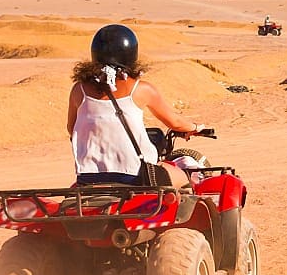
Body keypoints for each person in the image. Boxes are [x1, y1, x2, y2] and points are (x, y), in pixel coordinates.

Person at [67, 24, 206, 186]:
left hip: (88, 178)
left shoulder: (79, 90)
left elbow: (72, 128)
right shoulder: (141, 89)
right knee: (186, 178)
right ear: (131, 55)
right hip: (136, 176)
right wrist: (194, 127)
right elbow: (174, 122)